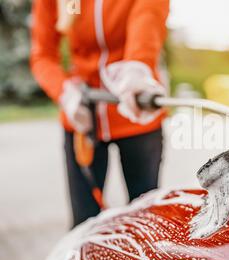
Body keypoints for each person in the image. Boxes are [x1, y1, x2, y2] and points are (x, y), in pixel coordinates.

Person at [30, 0, 170, 227]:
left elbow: (147, 18)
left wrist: (138, 67)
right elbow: (42, 55)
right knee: (83, 224)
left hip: (137, 115)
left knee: (145, 222)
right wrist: (65, 93)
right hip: (82, 119)